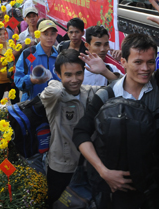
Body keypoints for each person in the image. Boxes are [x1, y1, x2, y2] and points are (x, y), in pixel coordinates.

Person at [73, 0, 159, 208]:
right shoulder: (105, 96)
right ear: (123, 62)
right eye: (138, 62)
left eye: (151, 62)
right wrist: (104, 172)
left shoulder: (158, 86)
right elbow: (80, 134)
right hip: (114, 192)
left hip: (153, 189)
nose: (146, 69)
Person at [40, 49, 110, 206]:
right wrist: (54, 81)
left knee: (80, 202)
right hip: (61, 167)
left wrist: (104, 70)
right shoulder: (55, 98)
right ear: (58, 74)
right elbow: (55, 91)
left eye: (79, 73)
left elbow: (118, 87)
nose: (74, 79)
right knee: (56, 203)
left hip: (86, 166)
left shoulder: (89, 93)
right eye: (68, 75)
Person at [14, 19, 60, 102]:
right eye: (45, 34)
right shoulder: (28, 54)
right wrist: (31, 80)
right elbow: (18, 81)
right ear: (38, 35)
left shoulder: (59, 55)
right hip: (32, 105)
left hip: (55, 104)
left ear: (56, 35)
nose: (49, 37)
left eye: (52, 34)